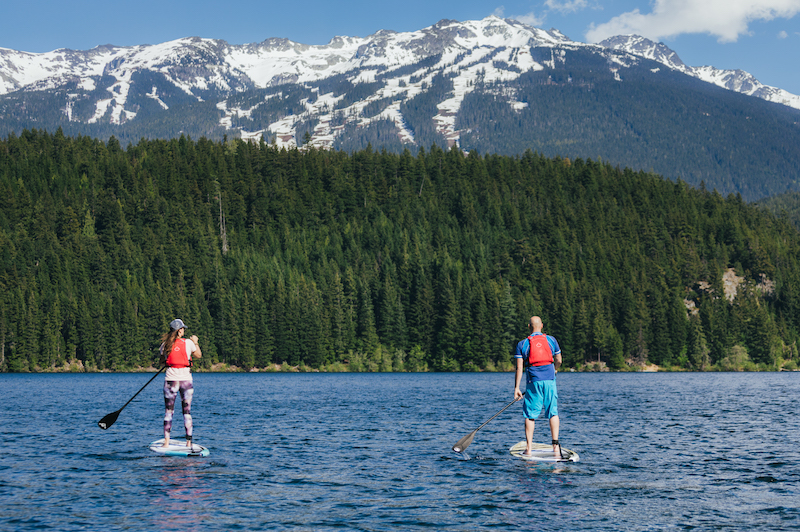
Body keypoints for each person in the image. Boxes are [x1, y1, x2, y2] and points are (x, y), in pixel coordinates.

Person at [513, 316, 563, 457]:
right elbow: (558, 360)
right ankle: (555, 446)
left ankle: (528, 449)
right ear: (541, 326)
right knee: (552, 412)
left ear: (529, 327)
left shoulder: (522, 344)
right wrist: (555, 369)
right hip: (549, 380)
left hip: (533, 382)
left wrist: (517, 388)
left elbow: (519, 368)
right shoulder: (551, 340)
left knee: (530, 416)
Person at [159, 318, 202, 448]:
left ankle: (166, 442)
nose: (183, 330)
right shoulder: (189, 343)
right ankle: (189, 442)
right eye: (182, 329)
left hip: (171, 380)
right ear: (178, 331)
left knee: (168, 412)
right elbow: (198, 355)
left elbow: (162, 362)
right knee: (186, 412)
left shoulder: (164, 345)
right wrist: (196, 342)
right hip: (186, 380)